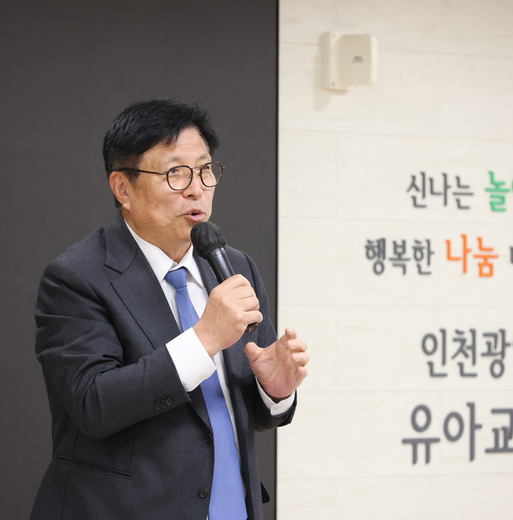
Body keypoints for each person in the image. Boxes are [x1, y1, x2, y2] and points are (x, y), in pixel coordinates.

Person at [30, 98, 308, 520]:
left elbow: (232, 414)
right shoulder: (76, 276)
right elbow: (93, 405)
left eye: (205, 169)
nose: (197, 188)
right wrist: (204, 338)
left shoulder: (233, 266)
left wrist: (274, 391)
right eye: (176, 173)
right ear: (123, 188)